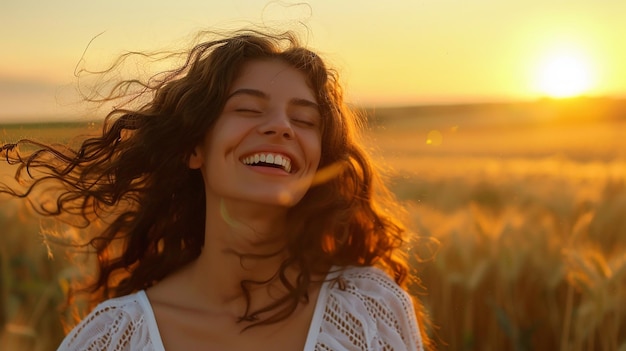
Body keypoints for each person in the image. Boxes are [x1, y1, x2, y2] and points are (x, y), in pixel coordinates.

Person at [1, 29, 430, 350]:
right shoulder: (114, 337)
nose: (281, 127)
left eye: (304, 120)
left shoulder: (369, 308)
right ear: (194, 148)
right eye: (247, 108)